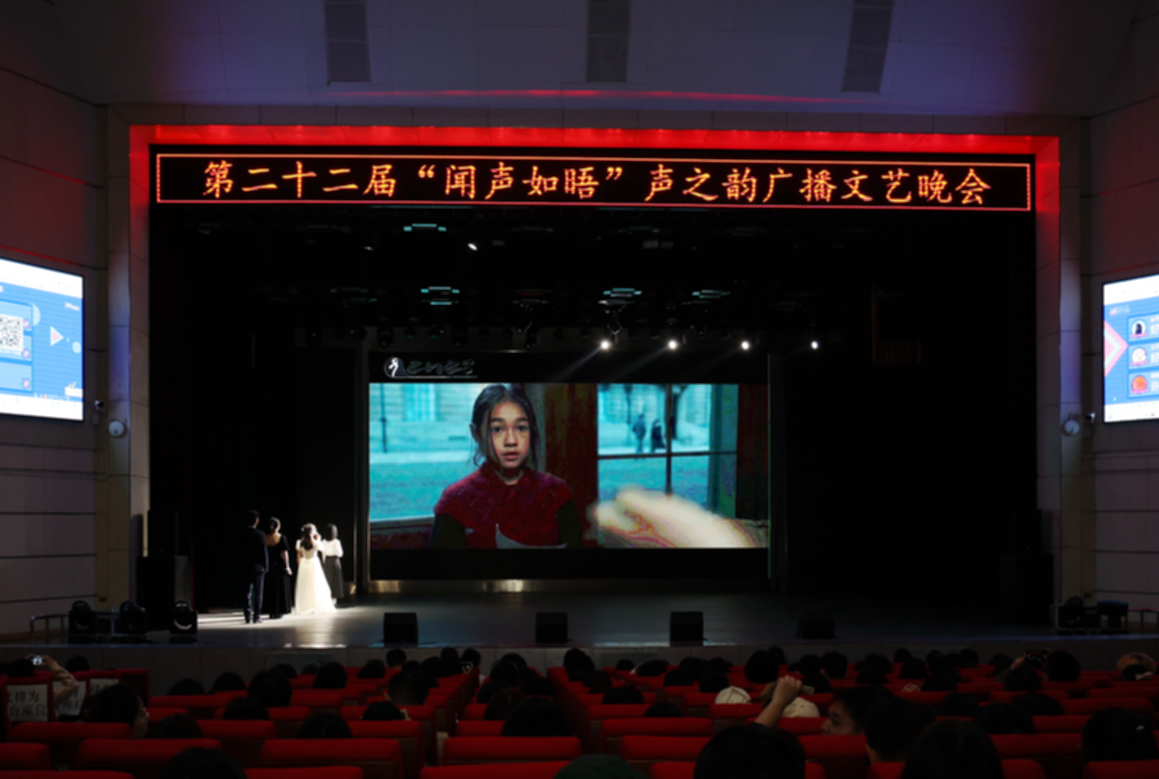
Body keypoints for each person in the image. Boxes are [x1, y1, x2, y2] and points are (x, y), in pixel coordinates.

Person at [429, 384, 581, 549]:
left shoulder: (556, 493)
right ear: (476, 433)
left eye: (521, 428)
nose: (511, 441)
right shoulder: (457, 501)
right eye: (497, 429)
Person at [293, 523, 336, 614]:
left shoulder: (299, 542)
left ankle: (305, 606)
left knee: (305, 585)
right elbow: (322, 549)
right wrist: (318, 539)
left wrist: (300, 565)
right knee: (316, 584)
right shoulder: (316, 543)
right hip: (313, 562)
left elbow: (299, 555)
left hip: (304, 563)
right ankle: (315, 604)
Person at [263, 517, 292, 620]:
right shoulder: (281, 537)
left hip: (268, 566)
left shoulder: (265, 537)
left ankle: (271, 611)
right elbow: (284, 554)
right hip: (279, 566)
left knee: (270, 589)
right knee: (279, 589)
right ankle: (279, 610)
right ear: (278, 526)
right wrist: (287, 566)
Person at [242, 510, 268, 624]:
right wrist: (265, 566)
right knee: (258, 593)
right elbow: (263, 552)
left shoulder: (241, 533)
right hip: (258, 567)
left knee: (246, 592)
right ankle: (257, 616)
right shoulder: (260, 534)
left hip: (245, 566)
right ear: (256, 521)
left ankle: (247, 616)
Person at [320, 523, 344, 606]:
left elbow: (323, 554)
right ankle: (334, 600)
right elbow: (340, 553)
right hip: (335, 561)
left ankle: (328, 599)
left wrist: (324, 562)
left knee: (328, 580)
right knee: (336, 580)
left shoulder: (323, 541)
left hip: (327, 561)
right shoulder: (336, 542)